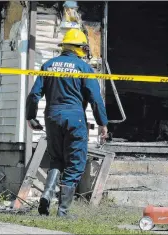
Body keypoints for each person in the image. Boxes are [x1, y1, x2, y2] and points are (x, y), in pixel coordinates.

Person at [26, 29, 108, 217]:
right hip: (75, 118)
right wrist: (102, 122)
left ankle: (47, 194)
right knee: (74, 163)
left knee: (57, 158)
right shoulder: (84, 68)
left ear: (64, 46)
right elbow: (95, 98)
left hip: (52, 117)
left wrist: (31, 116)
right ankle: (63, 211)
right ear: (79, 48)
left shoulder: (48, 65)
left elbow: (34, 94)